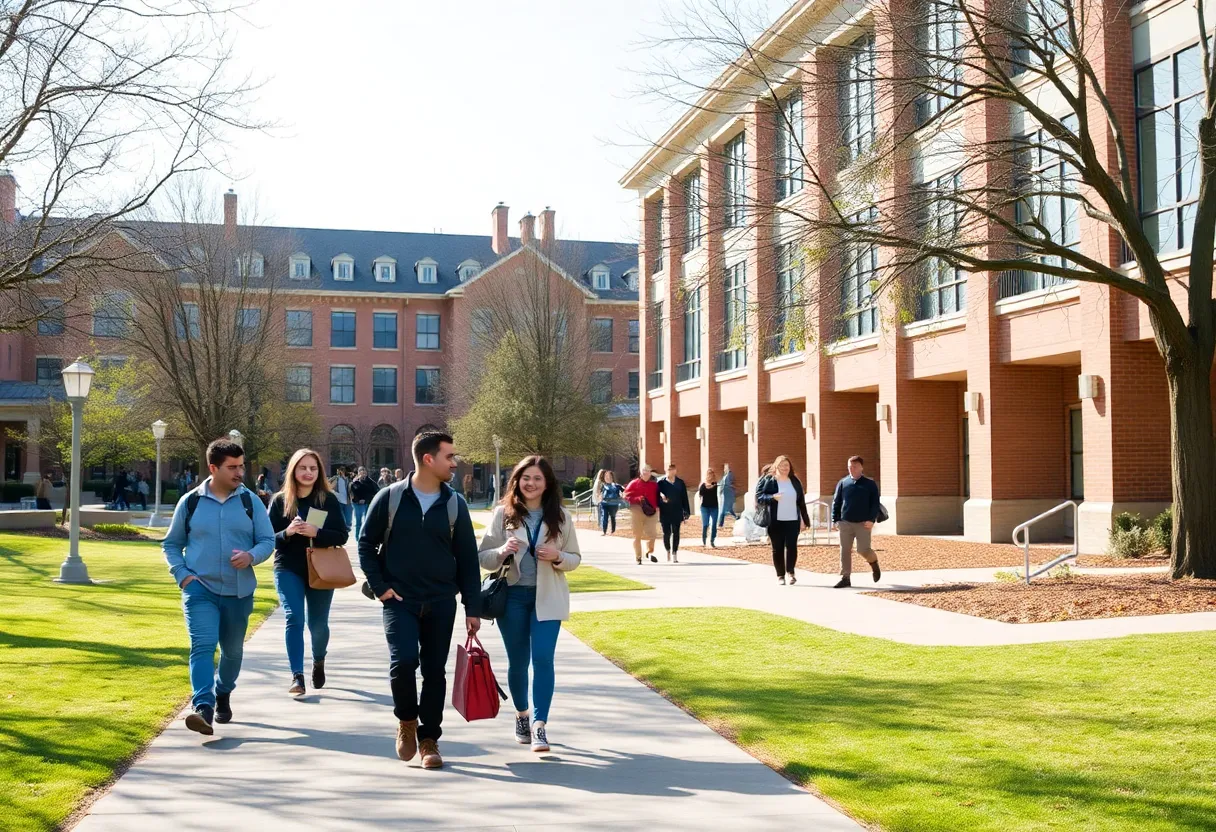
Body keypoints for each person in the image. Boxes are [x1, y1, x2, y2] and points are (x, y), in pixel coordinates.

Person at [358, 431, 481, 770]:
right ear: (429, 459)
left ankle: (429, 740)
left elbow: (468, 559)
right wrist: (381, 586)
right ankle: (406, 722)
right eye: (449, 457)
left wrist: (473, 608)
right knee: (403, 662)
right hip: (400, 599)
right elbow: (365, 544)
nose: (454, 462)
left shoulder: (455, 503)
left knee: (434, 672)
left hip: (442, 600)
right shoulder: (390, 498)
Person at [162, 438, 275, 735]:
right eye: (233, 467)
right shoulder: (191, 502)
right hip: (200, 589)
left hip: (239, 591)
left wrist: (251, 556)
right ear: (213, 468)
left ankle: (223, 691)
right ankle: (203, 707)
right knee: (202, 645)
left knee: (233, 651)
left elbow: (268, 540)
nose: (240, 472)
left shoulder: (251, 502)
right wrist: (182, 574)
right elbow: (172, 544)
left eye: (242, 466)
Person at [478, 455, 582, 753]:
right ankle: (522, 715)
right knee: (518, 661)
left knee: (544, 660)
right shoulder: (503, 515)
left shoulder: (562, 517)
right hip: (512, 598)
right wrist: (501, 551)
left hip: (548, 597)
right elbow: (482, 556)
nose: (531, 484)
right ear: (517, 481)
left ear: (547, 483)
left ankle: (539, 725)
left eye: (537, 478)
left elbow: (575, 558)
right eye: (526, 478)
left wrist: (558, 556)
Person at [268, 448, 350, 697]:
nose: (308, 472)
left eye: (313, 468)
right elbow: (267, 539)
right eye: (302, 467)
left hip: (321, 569)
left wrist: (317, 533)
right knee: (294, 618)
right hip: (288, 568)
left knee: (318, 625)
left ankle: (318, 660)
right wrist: (288, 533)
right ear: (293, 470)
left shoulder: (328, 500)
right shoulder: (280, 500)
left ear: (319, 472)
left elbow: (342, 535)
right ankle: (297, 676)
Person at [756, 455, 812, 585]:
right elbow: (759, 496)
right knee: (777, 548)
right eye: (782, 465)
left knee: (792, 547)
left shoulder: (794, 481)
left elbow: (801, 502)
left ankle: (791, 573)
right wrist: (772, 497)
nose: (784, 468)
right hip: (775, 520)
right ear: (776, 466)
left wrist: (804, 519)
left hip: (792, 519)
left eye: (787, 465)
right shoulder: (769, 480)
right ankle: (780, 575)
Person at [831, 455, 882, 588]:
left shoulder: (869, 484)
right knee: (845, 550)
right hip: (845, 522)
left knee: (863, 549)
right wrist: (835, 520)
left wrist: (871, 520)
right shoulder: (843, 483)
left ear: (861, 467)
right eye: (849, 467)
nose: (851, 469)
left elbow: (875, 504)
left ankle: (874, 563)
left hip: (863, 523)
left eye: (854, 466)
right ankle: (845, 577)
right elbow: (836, 502)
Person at [623, 465, 660, 565]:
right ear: (640, 472)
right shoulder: (634, 483)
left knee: (652, 534)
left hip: (651, 511)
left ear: (650, 473)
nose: (645, 473)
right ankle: (638, 557)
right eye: (644, 471)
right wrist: (637, 499)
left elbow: (658, 497)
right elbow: (625, 496)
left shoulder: (654, 485)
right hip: (637, 510)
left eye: (647, 471)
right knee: (637, 535)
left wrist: (658, 506)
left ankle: (649, 551)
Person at [656, 463, 691, 562]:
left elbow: (684, 498)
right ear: (665, 470)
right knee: (666, 533)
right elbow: (656, 495)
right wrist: (661, 497)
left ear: (675, 470)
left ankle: (675, 552)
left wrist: (686, 511)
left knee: (676, 532)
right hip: (665, 511)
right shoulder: (661, 482)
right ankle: (667, 549)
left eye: (672, 469)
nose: (670, 471)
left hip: (677, 510)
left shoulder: (680, 483)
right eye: (668, 469)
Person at [350, 465, 379, 539]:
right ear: (358, 473)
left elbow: (375, 491)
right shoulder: (355, 481)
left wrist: (366, 500)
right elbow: (353, 491)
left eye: (364, 471)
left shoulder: (370, 482)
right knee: (358, 521)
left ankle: (365, 535)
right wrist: (357, 482)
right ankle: (358, 537)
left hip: (366, 503)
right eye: (360, 471)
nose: (362, 472)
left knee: (367, 520)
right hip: (357, 503)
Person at [698, 468, 719, 547]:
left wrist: (710, 485)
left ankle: (712, 541)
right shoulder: (702, 485)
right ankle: (704, 540)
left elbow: (713, 487)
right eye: (709, 474)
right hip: (704, 507)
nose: (710, 475)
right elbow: (700, 495)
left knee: (714, 524)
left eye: (711, 474)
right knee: (705, 524)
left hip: (714, 507)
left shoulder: (715, 484)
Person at [718, 462, 739, 527]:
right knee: (729, 509)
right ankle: (736, 517)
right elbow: (722, 483)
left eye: (725, 468)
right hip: (724, 494)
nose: (724, 469)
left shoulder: (730, 474)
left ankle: (720, 524)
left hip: (727, 494)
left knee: (722, 510)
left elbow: (729, 484)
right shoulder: (725, 475)